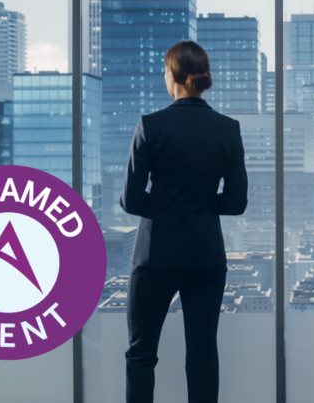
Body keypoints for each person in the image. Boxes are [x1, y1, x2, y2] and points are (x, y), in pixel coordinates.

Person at [120, 40, 248, 403]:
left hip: (155, 256)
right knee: (203, 355)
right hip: (207, 257)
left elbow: (131, 200)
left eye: (164, 71)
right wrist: (203, 204)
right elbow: (237, 202)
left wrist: (164, 206)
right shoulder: (228, 129)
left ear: (174, 76)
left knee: (141, 355)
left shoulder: (150, 125)